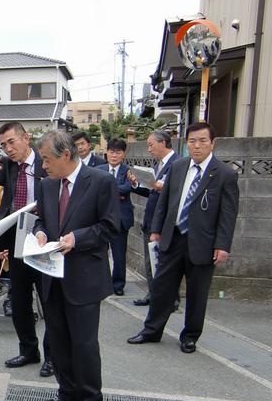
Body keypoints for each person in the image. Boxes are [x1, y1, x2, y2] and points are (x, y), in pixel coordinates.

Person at [32, 131, 120, 401]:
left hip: (84, 275)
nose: (43, 166)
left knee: (84, 344)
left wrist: (77, 238)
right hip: (51, 274)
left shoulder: (100, 181)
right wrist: (41, 233)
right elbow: (42, 220)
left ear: (65, 155)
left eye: (46, 159)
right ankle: (66, 394)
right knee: (57, 341)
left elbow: (110, 227)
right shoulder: (46, 185)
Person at [128, 122, 239, 354]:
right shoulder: (178, 168)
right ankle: (151, 330)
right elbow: (164, 203)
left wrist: (222, 245)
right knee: (161, 288)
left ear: (212, 143)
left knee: (197, 293)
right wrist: (157, 229)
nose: (197, 146)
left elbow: (228, 215)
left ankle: (190, 336)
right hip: (173, 238)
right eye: (192, 141)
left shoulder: (225, 174)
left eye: (202, 141)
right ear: (186, 143)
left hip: (204, 243)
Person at [0, 121, 52, 377]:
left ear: (26, 138)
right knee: (19, 301)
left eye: (11, 142)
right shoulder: (8, 164)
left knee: (49, 303)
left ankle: (52, 357)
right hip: (17, 238)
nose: (8, 148)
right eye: (3, 145)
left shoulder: (46, 162)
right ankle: (29, 350)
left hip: (43, 240)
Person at [128, 131, 179, 308]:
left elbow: (174, 193)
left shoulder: (177, 164)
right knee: (151, 261)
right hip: (151, 221)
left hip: (165, 223)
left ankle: (170, 299)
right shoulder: (159, 165)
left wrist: (158, 186)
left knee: (165, 262)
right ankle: (154, 293)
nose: (149, 149)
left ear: (163, 142)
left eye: (151, 145)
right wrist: (136, 183)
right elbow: (152, 192)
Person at [97, 138, 133, 296]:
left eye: (118, 152)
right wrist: (115, 193)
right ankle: (101, 282)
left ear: (123, 154)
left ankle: (118, 284)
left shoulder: (128, 171)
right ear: (107, 153)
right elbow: (96, 191)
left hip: (121, 220)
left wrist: (108, 191)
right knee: (99, 253)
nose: (114, 155)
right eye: (112, 151)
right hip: (101, 218)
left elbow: (127, 188)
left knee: (119, 255)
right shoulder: (99, 170)